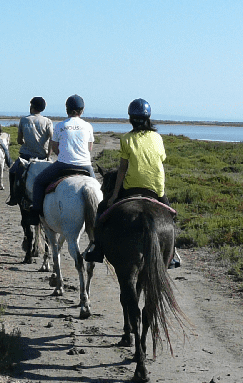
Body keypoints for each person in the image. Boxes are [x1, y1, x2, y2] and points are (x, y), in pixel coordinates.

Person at [83, 98, 179, 267]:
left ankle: (97, 248)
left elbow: (122, 169)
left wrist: (114, 196)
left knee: (102, 210)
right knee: (170, 216)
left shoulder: (126, 138)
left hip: (131, 186)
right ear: (148, 117)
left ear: (130, 118)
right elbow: (161, 159)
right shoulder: (157, 137)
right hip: (156, 188)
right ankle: (172, 254)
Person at [28, 95, 95, 216]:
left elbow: (54, 147)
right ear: (82, 110)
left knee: (38, 182)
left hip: (63, 165)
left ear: (67, 109)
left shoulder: (60, 126)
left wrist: (64, 154)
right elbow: (89, 148)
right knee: (99, 191)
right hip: (85, 166)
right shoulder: (88, 126)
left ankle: (36, 213)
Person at [6, 97, 54, 206]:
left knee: (12, 171)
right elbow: (52, 138)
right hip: (43, 157)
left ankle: (13, 197)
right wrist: (48, 155)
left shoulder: (24, 120)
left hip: (26, 157)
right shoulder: (48, 121)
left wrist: (26, 142)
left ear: (32, 106)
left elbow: (19, 140)